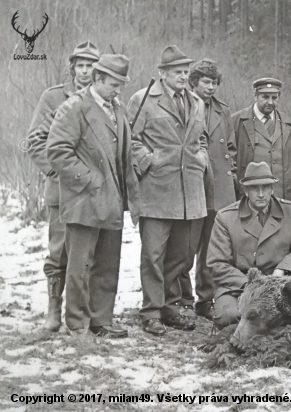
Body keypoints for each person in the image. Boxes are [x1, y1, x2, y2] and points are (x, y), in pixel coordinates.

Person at [47, 54, 139, 338]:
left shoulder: (117, 108)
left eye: (121, 85)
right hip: (83, 200)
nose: (118, 90)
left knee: (107, 263)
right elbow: (57, 151)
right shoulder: (73, 108)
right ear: (97, 79)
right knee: (80, 264)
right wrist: (91, 181)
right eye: (113, 84)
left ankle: (102, 321)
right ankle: (77, 323)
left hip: (113, 201)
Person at [127, 45, 209, 336]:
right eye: (177, 72)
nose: (183, 77)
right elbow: (130, 141)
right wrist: (150, 160)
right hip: (157, 192)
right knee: (153, 255)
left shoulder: (197, 103)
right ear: (162, 74)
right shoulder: (142, 100)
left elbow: (203, 140)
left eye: (186, 72)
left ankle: (171, 308)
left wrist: (201, 160)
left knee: (181, 257)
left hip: (190, 194)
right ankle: (150, 312)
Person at [26, 41, 100, 332]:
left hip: (93, 193)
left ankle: (83, 312)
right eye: (80, 65)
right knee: (58, 252)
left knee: (89, 256)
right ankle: (53, 309)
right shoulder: (54, 97)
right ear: (72, 68)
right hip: (61, 191)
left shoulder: (103, 99)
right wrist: (61, 173)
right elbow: (35, 141)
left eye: (90, 65)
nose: (85, 71)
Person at [207, 162, 291, 329]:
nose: (260, 194)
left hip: (280, 285)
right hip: (239, 287)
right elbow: (217, 264)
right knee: (230, 317)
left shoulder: (290, 211)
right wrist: (251, 285)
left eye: (266, 188)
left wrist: (282, 270)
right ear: (245, 191)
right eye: (254, 188)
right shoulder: (225, 218)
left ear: (272, 189)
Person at [183, 58, 237, 320]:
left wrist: (232, 179)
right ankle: (180, 299)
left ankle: (205, 299)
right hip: (192, 185)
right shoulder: (183, 105)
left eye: (215, 82)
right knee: (186, 246)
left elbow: (232, 150)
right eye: (206, 81)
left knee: (210, 247)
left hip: (219, 190)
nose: (211, 87)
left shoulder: (223, 110)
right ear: (194, 82)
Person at [232, 78, 291, 204]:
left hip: (283, 197)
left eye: (274, 98)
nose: (270, 102)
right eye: (265, 97)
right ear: (255, 96)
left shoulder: (289, 124)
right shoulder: (237, 122)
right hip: (251, 197)